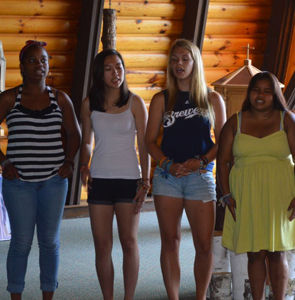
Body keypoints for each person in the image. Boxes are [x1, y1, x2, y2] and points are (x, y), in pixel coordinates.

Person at [145, 39, 226, 300]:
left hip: (200, 177)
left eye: (185, 59)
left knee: (203, 246)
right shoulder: (161, 98)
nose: (178, 64)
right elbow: (148, 141)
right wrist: (167, 163)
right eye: (174, 59)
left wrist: (201, 161)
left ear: (195, 63)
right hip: (167, 177)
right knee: (170, 242)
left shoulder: (212, 98)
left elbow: (223, 141)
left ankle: (200, 297)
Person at [0, 40, 81, 300]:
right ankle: (15, 295)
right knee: (21, 243)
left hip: (53, 182)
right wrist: (3, 162)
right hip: (18, 183)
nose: (39, 65)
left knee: (49, 242)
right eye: (33, 60)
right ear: (22, 67)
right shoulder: (10, 98)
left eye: (44, 60)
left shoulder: (60, 98)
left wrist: (69, 161)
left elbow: (75, 134)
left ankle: (48, 296)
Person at [217, 71, 295, 300]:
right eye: (255, 90)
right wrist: (226, 195)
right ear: (249, 93)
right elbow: (222, 162)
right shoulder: (235, 121)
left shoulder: (287, 119)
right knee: (254, 253)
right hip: (246, 194)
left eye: (267, 91)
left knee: (277, 252)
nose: (260, 96)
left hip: (280, 194)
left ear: (275, 95)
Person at [79, 49, 150, 300]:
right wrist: (84, 165)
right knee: (102, 245)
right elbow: (87, 141)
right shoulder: (89, 104)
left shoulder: (135, 102)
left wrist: (145, 182)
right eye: (109, 68)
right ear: (100, 73)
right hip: (99, 179)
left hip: (129, 179)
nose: (115, 73)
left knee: (129, 242)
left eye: (119, 67)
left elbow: (144, 145)